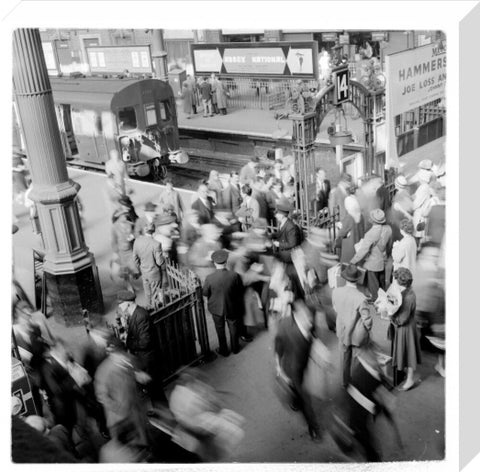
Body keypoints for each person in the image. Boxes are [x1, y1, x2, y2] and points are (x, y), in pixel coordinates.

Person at [274, 300, 320, 440]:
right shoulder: (285, 326)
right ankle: (313, 427)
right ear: (298, 316)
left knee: (295, 392)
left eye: (311, 319)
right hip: (291, 370)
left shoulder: (310, 322)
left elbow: (312, 338)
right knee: (305, 400)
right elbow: (278, 347)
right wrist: (278, 367)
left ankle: (294, 400)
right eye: (307, 319)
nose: (310, 322)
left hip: (302, 365)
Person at [94, 336, 150, 448]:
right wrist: (118, 408)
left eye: (121, 354)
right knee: (127, 449)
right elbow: (101, 395)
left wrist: (138, 375)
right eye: (116, 355)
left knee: (143, 443)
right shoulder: (103, 370)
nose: (121, 357)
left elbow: (134, 372)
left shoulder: (129, 359)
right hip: (119, 419)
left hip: (136, 411)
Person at [116, 290, 167, 405]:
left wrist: (128, 343)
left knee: (155, 391)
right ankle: (159, 411)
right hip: (144, 359)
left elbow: (145, 342)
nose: (119, 307)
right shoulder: (134, 314)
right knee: (152, 390)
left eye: (121, 304)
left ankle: (165, 415)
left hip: (148, 360)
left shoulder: (141, 316)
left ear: (128, 304)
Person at [332, 264, 373, 387]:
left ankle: (344, 381)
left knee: (344, 356)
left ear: (345, 278)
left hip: (342, 330)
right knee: (357, 358)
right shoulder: (361, 298)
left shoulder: (336, 291)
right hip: (356, 334)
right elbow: (367, 320)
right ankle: (357, 381)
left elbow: (335, 308)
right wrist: (369, 327)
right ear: (357, 279)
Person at [203, 250, 245, 356]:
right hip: (232, 306)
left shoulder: (209, 278)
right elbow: (240, 290)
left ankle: (224, 350)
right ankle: (235, 348)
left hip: (216, 307)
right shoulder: (235, 275)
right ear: (226, 262)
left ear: (214, 263)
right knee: (233, 327)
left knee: (219, 329)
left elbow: (205, 293)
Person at [389, 268, 421, 390]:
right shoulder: (408, 291)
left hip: (405, 328)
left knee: (409, 353)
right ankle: (407, 376)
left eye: (396, 280)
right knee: (407, 351)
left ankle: (410, 379)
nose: (395, 282)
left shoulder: (408, 298)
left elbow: (401, 320)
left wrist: (390, 315)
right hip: (408, 325)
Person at [350, 209, 392, 301]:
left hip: (372, 264)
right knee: (382, 285)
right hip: (383, 261)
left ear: (373, 220)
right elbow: (389, 246)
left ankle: (377, 304)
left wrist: (353, 261)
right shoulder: (388, 229)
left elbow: (363, 251)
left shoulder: (370, 234)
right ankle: (384, 301)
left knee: (374, 287)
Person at [133, 223, 166, 310]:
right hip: (154, 274)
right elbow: (159, 262)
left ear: (145, 231)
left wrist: (140, 270)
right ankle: (156, 310)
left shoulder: (137, 241)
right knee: (155, 294)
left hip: (144, 272)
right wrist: (164, 259)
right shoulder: (156, 244)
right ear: (153, 232)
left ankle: (149, 308)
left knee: (148, 293)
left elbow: (135, 259)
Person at [335, 195, 365, 263]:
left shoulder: (349, 218)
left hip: (349, 246)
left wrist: (339, 226)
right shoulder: (360, 215)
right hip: (358, 244)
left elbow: (341, 233)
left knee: (348, 266)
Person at [387, 175, 413, 242]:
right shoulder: (405, 193)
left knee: (399, 240)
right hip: (400, 222)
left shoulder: (401, 195)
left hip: (398, 223)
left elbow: (404, 209)